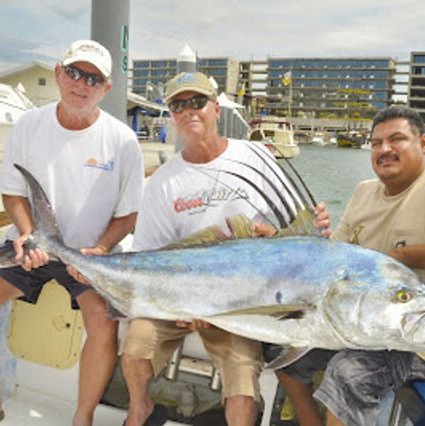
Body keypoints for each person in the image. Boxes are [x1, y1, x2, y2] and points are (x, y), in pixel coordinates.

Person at [0, 40, 144, 426]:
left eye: (94, 78)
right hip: (32, 247)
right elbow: (13, 192)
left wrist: (101, 248)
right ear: (58, 74)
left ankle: (82, 417)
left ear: (105, 89)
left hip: (91, 257)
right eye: (74, 72)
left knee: (104, 323)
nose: (81, 83)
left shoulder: (123, 140)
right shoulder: (29, 125)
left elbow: (130, 213)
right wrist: (27, 234)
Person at [118, 71, 329, 426]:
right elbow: (151, 259)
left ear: (216, 108)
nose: (189, 111)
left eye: (197, 102)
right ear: (171, 115)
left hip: (246, 302)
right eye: (178, 105)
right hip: (179, 297)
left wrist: (282, 233)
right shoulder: (163, 183)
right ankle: (140, 406)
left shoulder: (257, 158)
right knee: (135, 346)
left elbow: (302, 236)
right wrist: (179, 304)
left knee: (243, 384)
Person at [277, 105, 425, 426]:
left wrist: (400, 257)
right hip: (362, 322)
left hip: (419, 336)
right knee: (281, 348)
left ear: (424, 143)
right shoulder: (364, 192)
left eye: (397, 139)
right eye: (376, 143)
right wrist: (285, 239)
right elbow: (333, 255)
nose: (385, 149)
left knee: (346, 374)